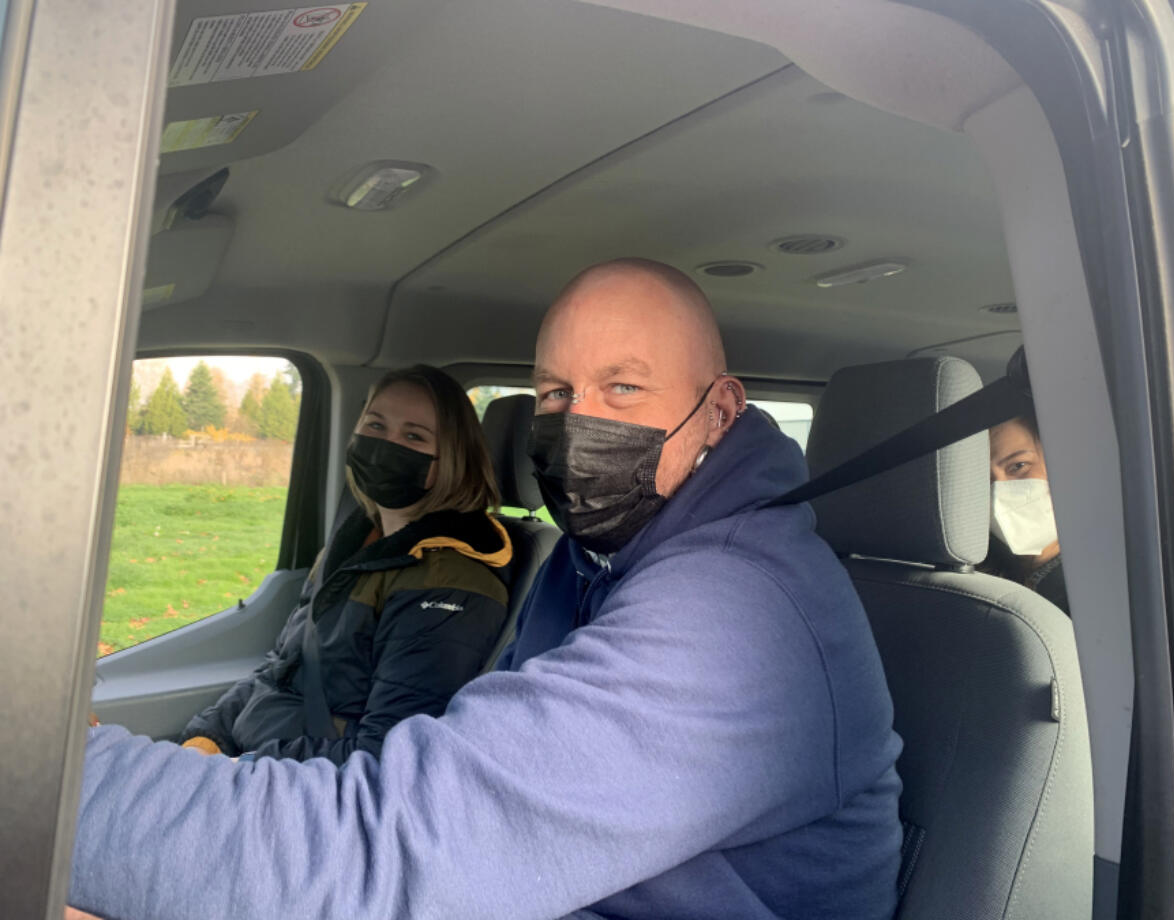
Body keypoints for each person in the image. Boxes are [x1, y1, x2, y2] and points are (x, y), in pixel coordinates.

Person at [68, 259, 902, 920]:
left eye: (624, 388)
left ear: (719, 413)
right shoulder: (596, 561)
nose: (578, 422)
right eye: (556, 393)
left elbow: (389, 852)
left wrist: (58, 781)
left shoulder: (737, 615)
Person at [179, 364, 513, 764]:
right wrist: (207, 738)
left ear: (452, 459)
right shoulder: (353, 548)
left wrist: (237, 771)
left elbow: (384, 755)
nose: (386, 445)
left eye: (413, 436)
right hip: (256, 763)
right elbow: (280, 669)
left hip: (303, 791)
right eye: (375, 426)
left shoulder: (450, 584)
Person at [984, 402, 1068, 614]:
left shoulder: (1103, 577)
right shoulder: (975, 579)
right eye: (982, 479)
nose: (998, 491)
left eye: (1018, 466)